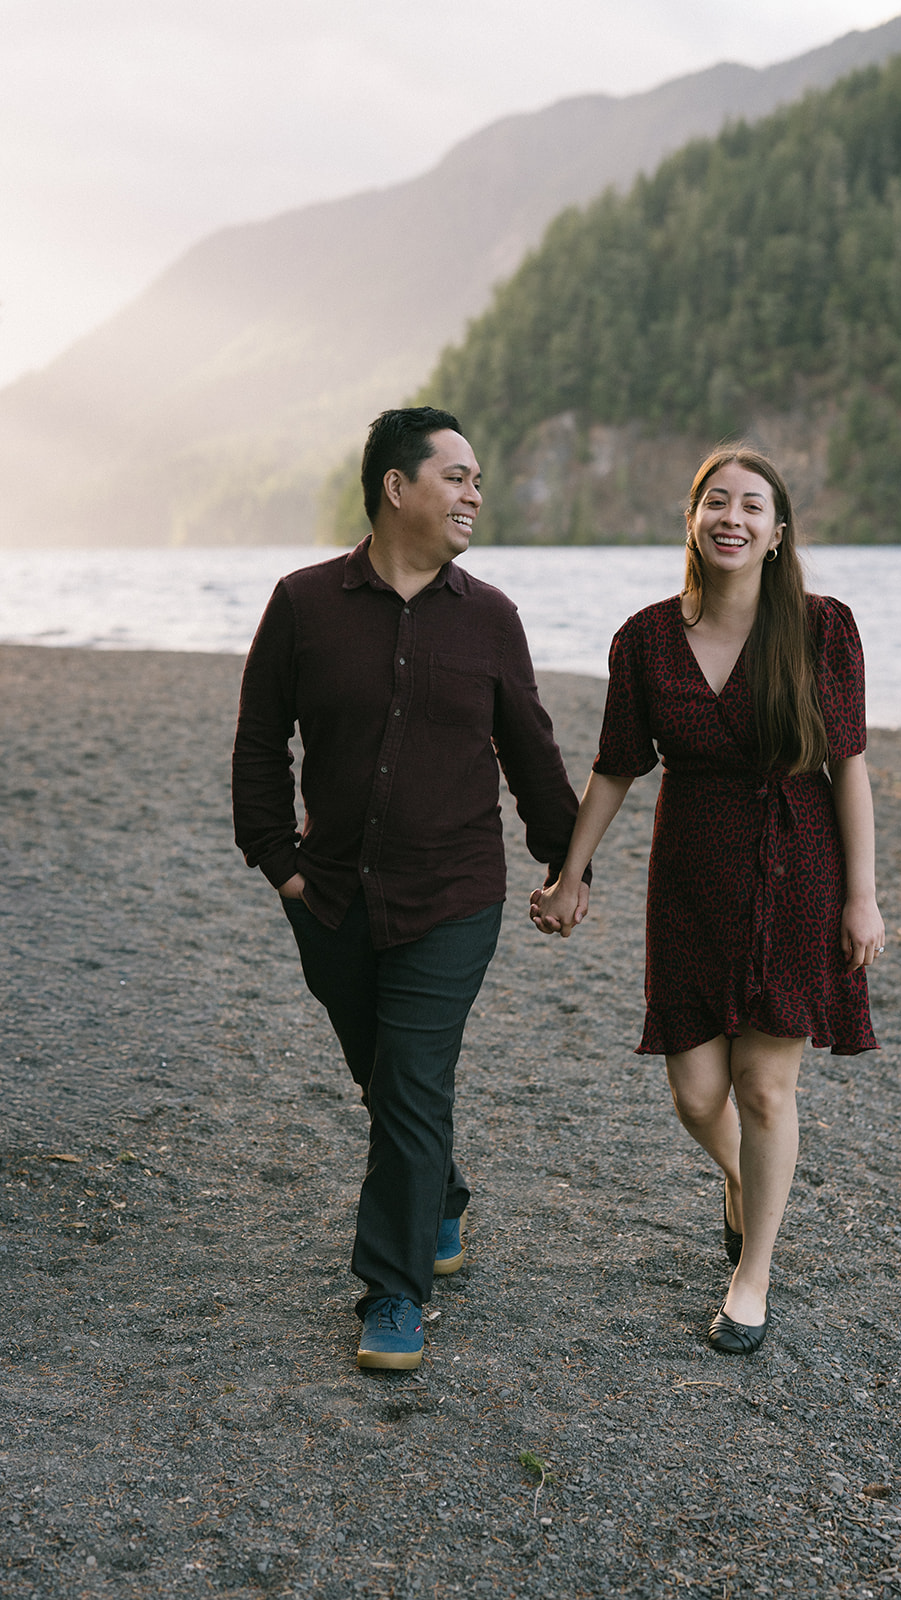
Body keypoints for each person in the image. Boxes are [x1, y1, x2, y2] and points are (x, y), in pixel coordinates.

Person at [232, 406, 588, 1370]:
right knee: (385, 1079)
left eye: (478, 479)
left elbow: (532, 753)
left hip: (453, 896)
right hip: (332, 896)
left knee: (414, 1076)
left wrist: (565, 863)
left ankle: (392, 1293)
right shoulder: (303, 603)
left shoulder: (490, 619)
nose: (476, 493)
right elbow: (262, 742)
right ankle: (441, 1198)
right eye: (458, 476)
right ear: (397, 488)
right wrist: (282, 864)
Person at [532, 446, 883, 1355]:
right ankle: (740, 1180)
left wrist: (863, 899)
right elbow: (616, 766)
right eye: (715, 502)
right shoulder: (645, 638)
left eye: (752, 506)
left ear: (776, 533)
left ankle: (751, 1273)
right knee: (695, 1093)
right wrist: (572, 873)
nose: (732, 517)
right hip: (688, 876)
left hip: (797, 871)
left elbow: (848, 769)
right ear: (691, 521)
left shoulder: (822, 629)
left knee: (765, 1087)